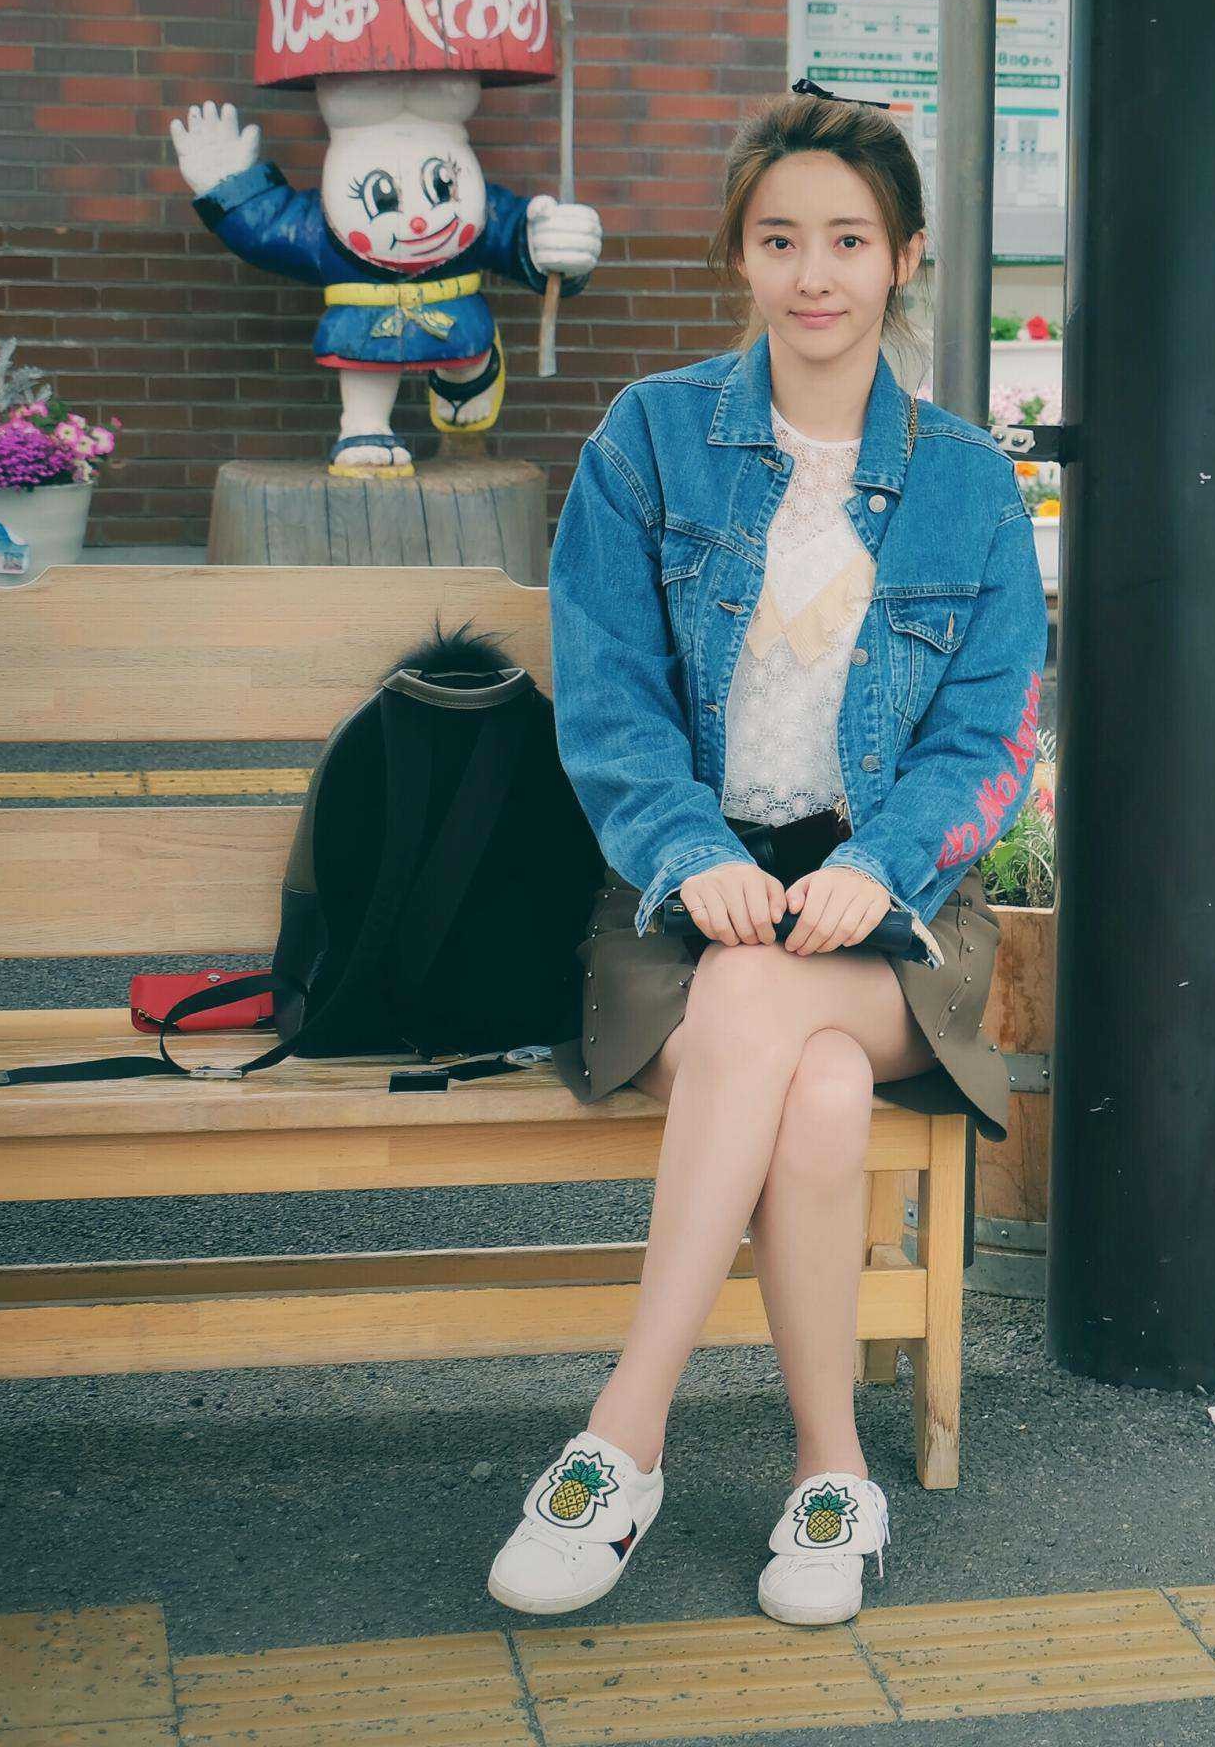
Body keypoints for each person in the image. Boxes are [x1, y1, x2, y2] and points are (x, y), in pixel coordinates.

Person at [489, 85, 1047, 1628]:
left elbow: (992, 734)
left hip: (894, 919)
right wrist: (685, 852)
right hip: (685, 901)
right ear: (740, 254)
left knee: (770, 1008)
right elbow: (609, 702)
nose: (816, 274)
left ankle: (625, 1436)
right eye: (782, 238)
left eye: (850, 241)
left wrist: (886, 862)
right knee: (813, 1081)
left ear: (905, 257)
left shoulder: (967, 483)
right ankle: (830, 1473)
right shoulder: (652, 440)